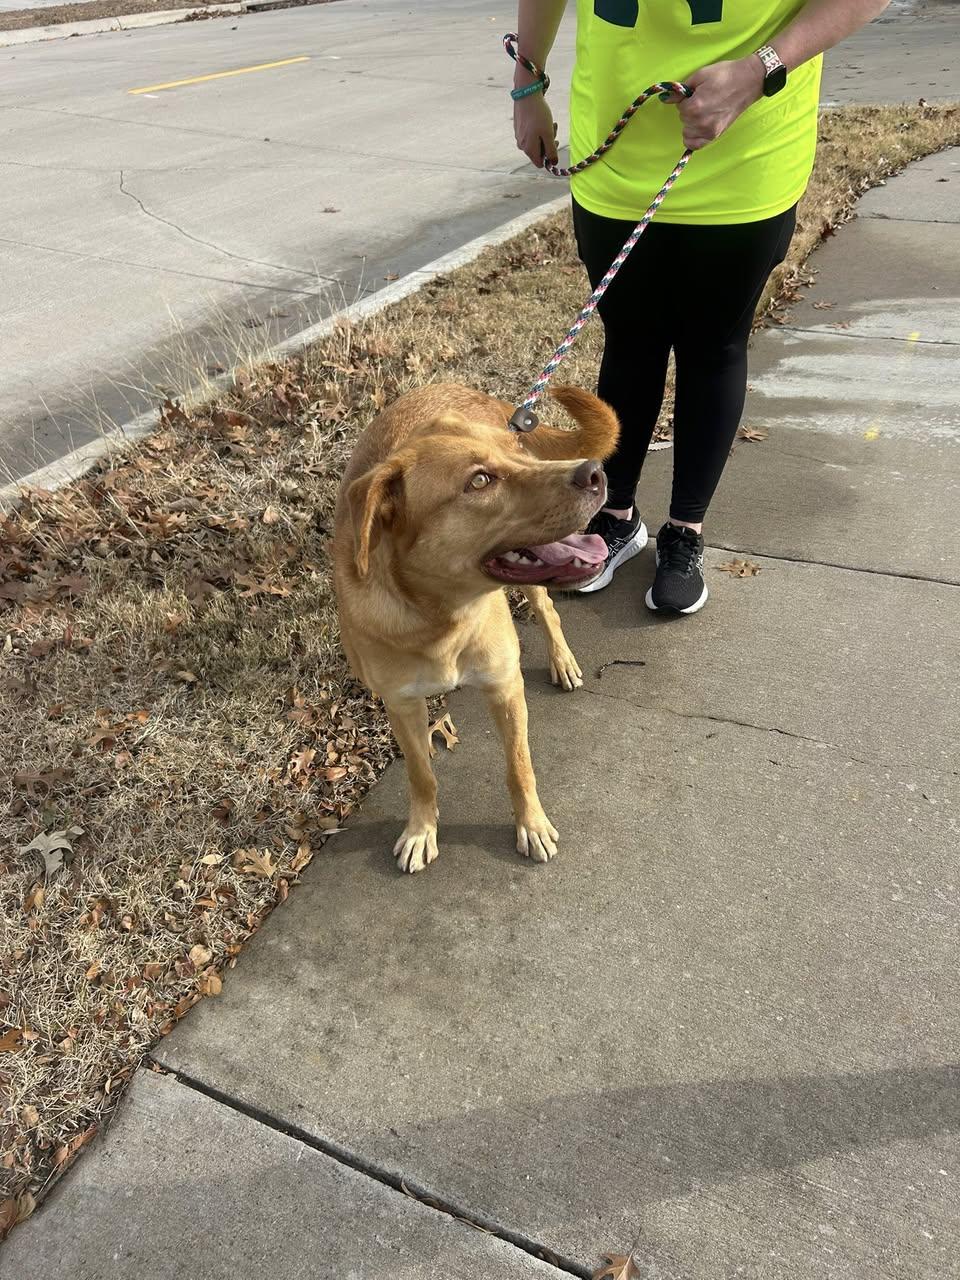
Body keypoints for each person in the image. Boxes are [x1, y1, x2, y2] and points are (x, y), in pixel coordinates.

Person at [512, 0, 890, 614]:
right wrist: (528, 82)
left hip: (746, 163)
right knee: (630, 339)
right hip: (614, 163)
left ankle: (684, 530)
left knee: (713, 345)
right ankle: (616, 516)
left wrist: (761, 67)